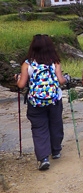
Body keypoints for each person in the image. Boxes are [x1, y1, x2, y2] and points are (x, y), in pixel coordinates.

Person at [16, 34, 68, 171]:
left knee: (39, 128)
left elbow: (21, 85)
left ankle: (43, 158)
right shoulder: (54, 61)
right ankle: (56, 150)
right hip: (54, 100)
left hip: (35, 102)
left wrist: (17, 78)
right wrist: (66, 79)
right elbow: (61, 81)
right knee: (56, 124)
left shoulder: (28, 64)